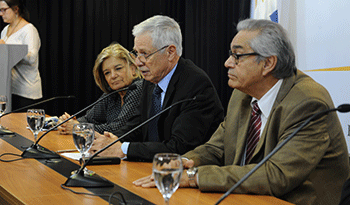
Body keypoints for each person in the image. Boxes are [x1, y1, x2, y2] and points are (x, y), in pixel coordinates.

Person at [133, 19, 350, 205]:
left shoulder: (308, 102)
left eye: (237, 56)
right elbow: (217, 147)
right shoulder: (242, 95)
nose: (228, 63)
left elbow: (275, 175)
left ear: (267, 63)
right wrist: (184, 162)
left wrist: (192, 176)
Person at [89, 15, 224, 162]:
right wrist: (109, 142)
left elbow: (179, 147)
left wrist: (122, 149)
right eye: (135, 53)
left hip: (184, 174)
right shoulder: (151, 80)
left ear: (170, 52)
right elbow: (137, 126)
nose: (138, 62)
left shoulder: (195, 85)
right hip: (150, 167)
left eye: (144, 54)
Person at [57, 43, 143, 135]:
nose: (113, 76)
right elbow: (88, 118)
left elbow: (118, 128)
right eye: (107, 73)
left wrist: (79, 128)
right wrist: (67, 124)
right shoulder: (112, 94)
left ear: (133, 69)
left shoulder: (137, 88)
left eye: (118, 69)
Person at [0, 0, 42, 110]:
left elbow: (32, 58)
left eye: (4, 10)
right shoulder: (5, 30)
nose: (1, 13)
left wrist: (7, 48)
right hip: (8, 90)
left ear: (16, 9)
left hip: (26, 92)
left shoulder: (29, 30)